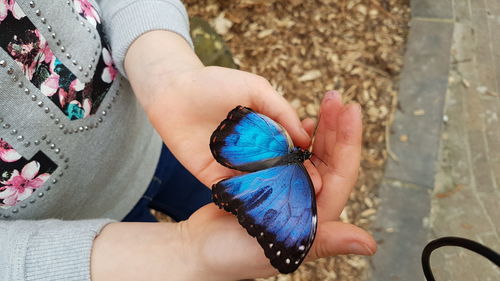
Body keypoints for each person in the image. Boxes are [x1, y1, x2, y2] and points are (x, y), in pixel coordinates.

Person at [0, 0, 376, 280]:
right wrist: (182, 254)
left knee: (233, 234)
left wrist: (167, 72)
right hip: (83, 241)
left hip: (164, 140)